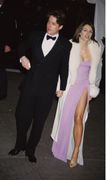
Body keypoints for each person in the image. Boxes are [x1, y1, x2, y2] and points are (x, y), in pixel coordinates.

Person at [8, 9, 72, 163]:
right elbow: (21, 47)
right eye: (48, 22)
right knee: (21, 116)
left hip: (47, 90)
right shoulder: (35, 36)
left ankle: (31, 150)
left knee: (39, 121)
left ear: (60, 27)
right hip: (30, 85)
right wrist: (23, 57)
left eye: (53, 24)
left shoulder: (65, 44)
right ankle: (20, 144)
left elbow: (64, 67)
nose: (49, 26)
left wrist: (62, 87)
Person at [51, 22, 103, 168]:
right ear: (79, 31)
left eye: (90, 31)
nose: (87, 33)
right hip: (69, 86)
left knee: (78, 117)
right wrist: (59, 87)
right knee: (65, 118)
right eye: (85, 30)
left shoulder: (95, 48)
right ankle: (62, 148)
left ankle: (75, 152)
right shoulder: (69, 45)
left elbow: (97, 71)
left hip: (85, 86)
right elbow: (61, 68)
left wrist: (94, 89)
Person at [0, 0, 16, 100]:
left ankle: (2, 93)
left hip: (2, 44)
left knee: (1, 69)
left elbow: (12, 29)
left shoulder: (8, 10)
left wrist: (9, 44)